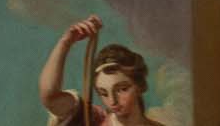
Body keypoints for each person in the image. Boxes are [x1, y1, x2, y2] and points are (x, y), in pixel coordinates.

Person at [38, 19, 167, 126]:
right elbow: (50, 97)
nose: (112, 101)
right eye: (104, 93)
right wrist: (65, 42)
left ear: (139, 86)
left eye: (121, 89)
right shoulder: (92, 119)